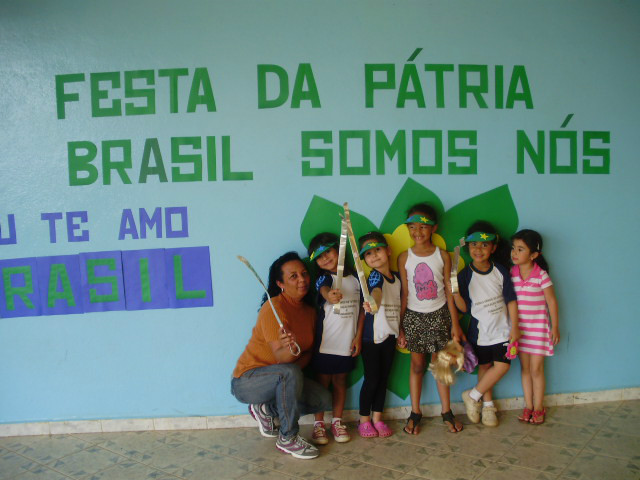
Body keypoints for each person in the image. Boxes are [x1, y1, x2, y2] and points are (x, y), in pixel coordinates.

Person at [231, 252, 332, 460]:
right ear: (280, 283)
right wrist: (289, 350)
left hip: (285, 377)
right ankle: (288, 438)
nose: (302, 279)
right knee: (289, 372)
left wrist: (295, 354)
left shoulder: (309, 312)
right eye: (293, 276)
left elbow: (307, 355)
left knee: (322, 399)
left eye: (304, 273)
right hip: (248, 381)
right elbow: (281, 358)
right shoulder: (273, 308)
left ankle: (266, 408)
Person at [397, 203, 465, 434]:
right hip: (414, 317)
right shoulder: (404, 257)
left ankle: (446, 411)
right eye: (412, 226)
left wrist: (455, 325)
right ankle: (415, 412)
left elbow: (448, 291)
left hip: (440, 316)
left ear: (433, 228)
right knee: (417, 365)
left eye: (423, 226)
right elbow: (405, 294)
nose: (418, 231)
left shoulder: (442, 256)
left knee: (440, 366)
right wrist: (401, 328)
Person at [452, 221, 520, 427]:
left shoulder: (500, 270)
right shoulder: (464, 276)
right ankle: (488, 405)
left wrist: (515, 328)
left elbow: (510, 300)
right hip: (480, 334)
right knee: (485, 367)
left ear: (493, 247)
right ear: (467, 248)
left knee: (502, 366)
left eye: (483, 245)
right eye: (473, 245)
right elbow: (464, 308)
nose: (478, 250)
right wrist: (454, 291)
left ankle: (472, 396)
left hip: (503, 331)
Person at [307, 233, 363, 444]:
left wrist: (358, 337)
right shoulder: (324, 279)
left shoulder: (357, 278)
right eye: (319, 257)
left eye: (328, 251)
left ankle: (337, 422)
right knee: (322, 384)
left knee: (341, 382)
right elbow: (323, 290)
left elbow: (361, 312)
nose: (325, 258)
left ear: (338, 250)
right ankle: (319, 424)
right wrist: (329, 295)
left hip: (347, 343)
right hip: (326, 344)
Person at [511, 229, 560, 425]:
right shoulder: (511, 273)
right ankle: (528, 406)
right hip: (519, 330)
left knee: (536, 370)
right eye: (513, 248)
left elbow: (552, 302)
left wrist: (554, 327)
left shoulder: (541, 275)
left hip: (538, 330)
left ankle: (539, 408)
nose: (514, 252)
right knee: (524, 369)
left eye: (520, 249)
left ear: (533, 255)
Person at [357, 231, 401, 438]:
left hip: (390, 337)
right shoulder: (375, 276)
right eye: (368, 254)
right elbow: (376, 291)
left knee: (383, 379)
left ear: (388, 251)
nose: (374, 256)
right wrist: (374, 302)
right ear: (364, 260)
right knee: (372, 379)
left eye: (378, 250)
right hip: (372, 338)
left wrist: (400, 331)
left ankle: (377, 418)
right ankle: (364, 420)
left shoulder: (398, 279)